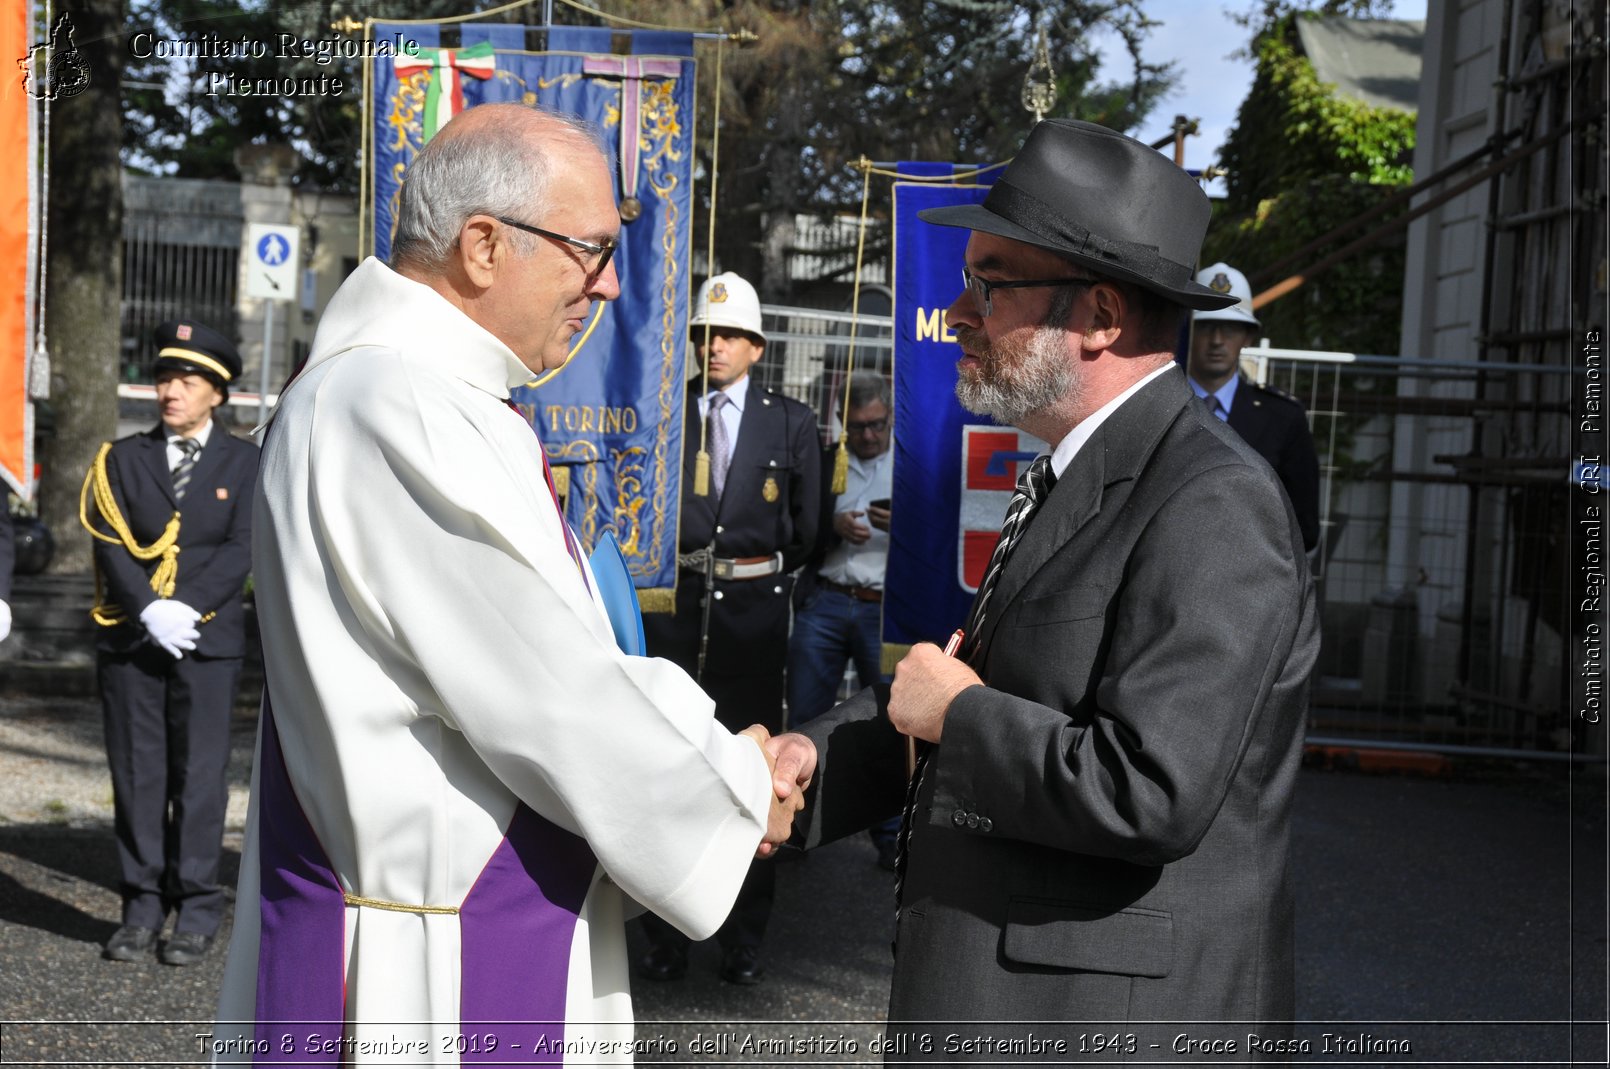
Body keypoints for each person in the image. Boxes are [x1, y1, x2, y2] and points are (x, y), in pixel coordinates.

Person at [213, 105, 811, 1056]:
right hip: (429, 965)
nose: (610, 285)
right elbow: (549, 689)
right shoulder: (393, 401)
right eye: (591, 249)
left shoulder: (406, 392)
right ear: (483, 245)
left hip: (453, 916)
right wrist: (737, 781)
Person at [784, 118, 1320, 1056]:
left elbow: (1148, 787)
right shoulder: (1082, 468)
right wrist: (805, 760)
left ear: (1102, 317)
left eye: (989, 283)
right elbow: (996, 694)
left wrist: (958, 714)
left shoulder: (1213, 500)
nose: (957, 310)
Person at [638, 271, 820, 986]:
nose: (712, 347)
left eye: (728, 336)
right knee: (673, 770)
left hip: (753, 615)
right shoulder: (671, 413)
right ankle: (666, 937)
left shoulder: (790, 420)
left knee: (753, 772)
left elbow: (805, 532)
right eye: (703, 336)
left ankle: (745, 936)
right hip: (681, 612)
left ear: (756, 346)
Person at [80, 320, 257, 966]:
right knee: (137, 774)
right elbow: (109, 540)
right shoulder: (121, 460)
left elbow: (243, 544)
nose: (169, 391)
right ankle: (141, 905)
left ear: (218, 392)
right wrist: (150, 607)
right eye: (163, 378)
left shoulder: (245, 462)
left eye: (185, 381)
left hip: (207, 643)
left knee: (201, 776)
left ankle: (199, 904)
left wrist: (190, 606)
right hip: (134, 640)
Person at [786, 370, 899, 869]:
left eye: (877, 425)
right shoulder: (827, 463)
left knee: (891, 721)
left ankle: (891, 836)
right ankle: (792, 825)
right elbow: (797, 529)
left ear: (890, 418)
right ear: (842, 423)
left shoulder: (910, 465)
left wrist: (907, 528)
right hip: (827, 601)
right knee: (806, 717)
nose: (869, 436)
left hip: (883, 607)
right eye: (858, 427)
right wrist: (828, 527)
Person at [1187, 262, 1322, 552]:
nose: (1217, 341)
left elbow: (1304, 527)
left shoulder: (1283, 419)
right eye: (1206, 326)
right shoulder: (1156, 406)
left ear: (1248, 337)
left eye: (1231, 329)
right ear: (1186, 330)